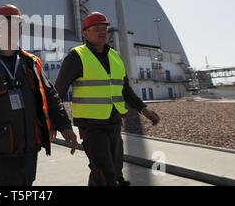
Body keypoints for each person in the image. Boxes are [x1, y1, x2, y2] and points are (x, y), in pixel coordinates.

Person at [0, 4, 78, 186]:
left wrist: (65, 124)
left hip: (28, 154)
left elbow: (50, 95)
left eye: (17, 26)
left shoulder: (31, 64)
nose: (12, 30)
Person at [54, 11, 160, 186]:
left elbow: (125, 89)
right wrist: (59, 124)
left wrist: (144, 109)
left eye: (104, 28)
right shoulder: (76, 56)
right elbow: (58, 92)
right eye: (96, 28)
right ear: (85, 33)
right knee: (105, 173)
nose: (102, 31)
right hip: (91, 126)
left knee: (112, 170)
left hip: (114, 122)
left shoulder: (115, 56)